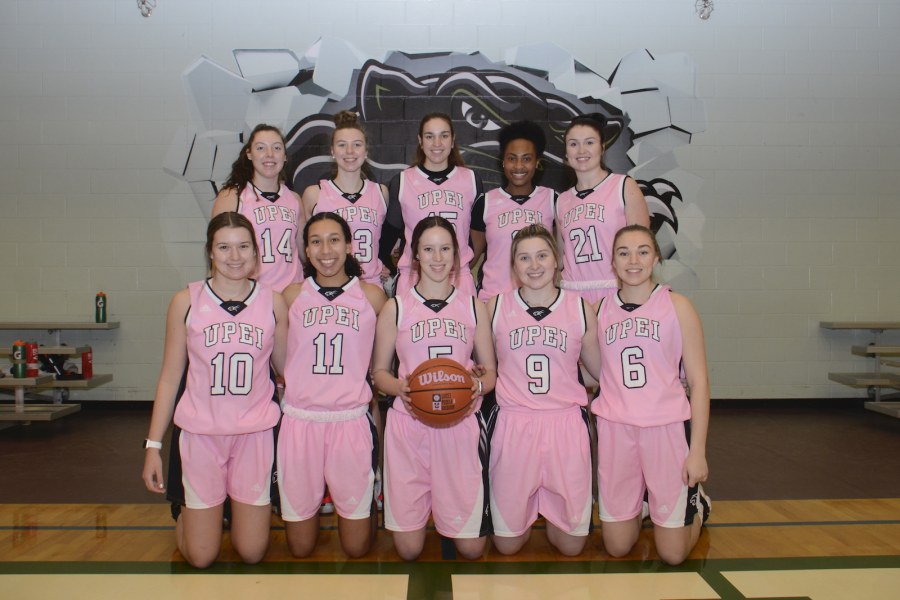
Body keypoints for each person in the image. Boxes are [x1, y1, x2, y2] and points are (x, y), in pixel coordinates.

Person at [142, 211, 288, 568]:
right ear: (210, 251)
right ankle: (186, 514)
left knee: (252, 552)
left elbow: (285, 375)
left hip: (254, 434)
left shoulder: (273, 302)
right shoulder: (186, 301)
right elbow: (168, 377)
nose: (234, 257)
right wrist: (153, 446)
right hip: (200, 434)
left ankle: (223, 516)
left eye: (243, 247)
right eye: (224, 247)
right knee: (201, 557)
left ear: (256, 253)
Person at [371, 216, 497, 561]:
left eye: (445, 249)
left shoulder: (473, 307)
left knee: (472, 549)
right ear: (415, 256)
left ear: (457, 256)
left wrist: (477, 385)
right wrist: (400, 387)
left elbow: (491, 374)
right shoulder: (395, 307)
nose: (437, 257)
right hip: (409, 425)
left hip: (459, 426)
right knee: (409, 551)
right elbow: (379, 373)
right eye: (428, 249)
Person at [592, 224, 710, 566]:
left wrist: (698, 452)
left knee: (673, 555)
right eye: (623, 252)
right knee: (617, 546)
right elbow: (592, 370)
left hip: (667, 430)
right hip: (616, 432)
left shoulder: (678, 306)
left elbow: (700, 384)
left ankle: (698, 504)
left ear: (656, 257)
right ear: (612, 262)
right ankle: (644, 502)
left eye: (643, 251)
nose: (633, 260)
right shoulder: (598, 311)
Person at [487, 224, 602, 556]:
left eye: (541, 256)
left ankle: (549, 510)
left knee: (571, 547)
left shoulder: (580, 308)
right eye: (524, 258)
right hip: (514, 425)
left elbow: (600, 371)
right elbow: (479, 366)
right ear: (513, 266)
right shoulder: (493, 308)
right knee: (507, 547)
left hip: (565, 425)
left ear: (557, 261)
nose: (533, 265)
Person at [277, 212, 387, 558]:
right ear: (306, 251)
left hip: (351, 421)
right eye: (316, 241)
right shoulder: (291, 296)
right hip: (300, 421)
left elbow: (379, 370)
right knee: (299, 548)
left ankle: (369, 497)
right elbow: (280, 362)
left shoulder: (372, 297)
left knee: (356, 549)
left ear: (350, 245)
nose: (326, 249)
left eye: (334, 239)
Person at [378, 113, 483, 297]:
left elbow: (478, 237)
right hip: (414, 279)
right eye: (429, 136)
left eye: (444, 135)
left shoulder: (471, 180)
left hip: (458, 279)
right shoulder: (403, 181)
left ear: (452, 140)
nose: (437, 143)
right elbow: (386, 239)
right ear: (420, 140)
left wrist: (461, 263)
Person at [556, 113, 650, 304]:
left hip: (615, 290)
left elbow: (643, 249)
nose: (581, 150)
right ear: (566, 152)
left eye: (589, 142)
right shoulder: (562, 200)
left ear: (602, 148)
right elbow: (560, 257)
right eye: (573, 144)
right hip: (573, 294)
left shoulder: (623, 186)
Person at [471, 121, 556, 302]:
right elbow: (469, 258)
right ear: (503, 162)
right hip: (494, 301)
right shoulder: (485, 203)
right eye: (512, 158)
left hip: (540, 300)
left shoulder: (553, 200)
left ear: (537, 162)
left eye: (526, 158)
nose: (518, 166)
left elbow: (562, 256)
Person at [302, 111, 390, 287]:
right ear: (333, 151)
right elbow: (307, 247)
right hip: (329, 285)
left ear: (366, 151)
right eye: (342, 145)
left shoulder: (381, 192)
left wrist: (382, 263)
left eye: (357, 145)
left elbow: (385, 238)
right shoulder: (315, 194)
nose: (349, 151)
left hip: (371, 286)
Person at [212, 124, 304, 293]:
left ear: (284, 156)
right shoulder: (232, 196)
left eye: (276, 148)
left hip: (291, 296)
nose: (269, 154)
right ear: (249, 154)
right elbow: (217, 252)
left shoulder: (295, 199)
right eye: (261, 148)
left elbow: (305, 252)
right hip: (252, 295)